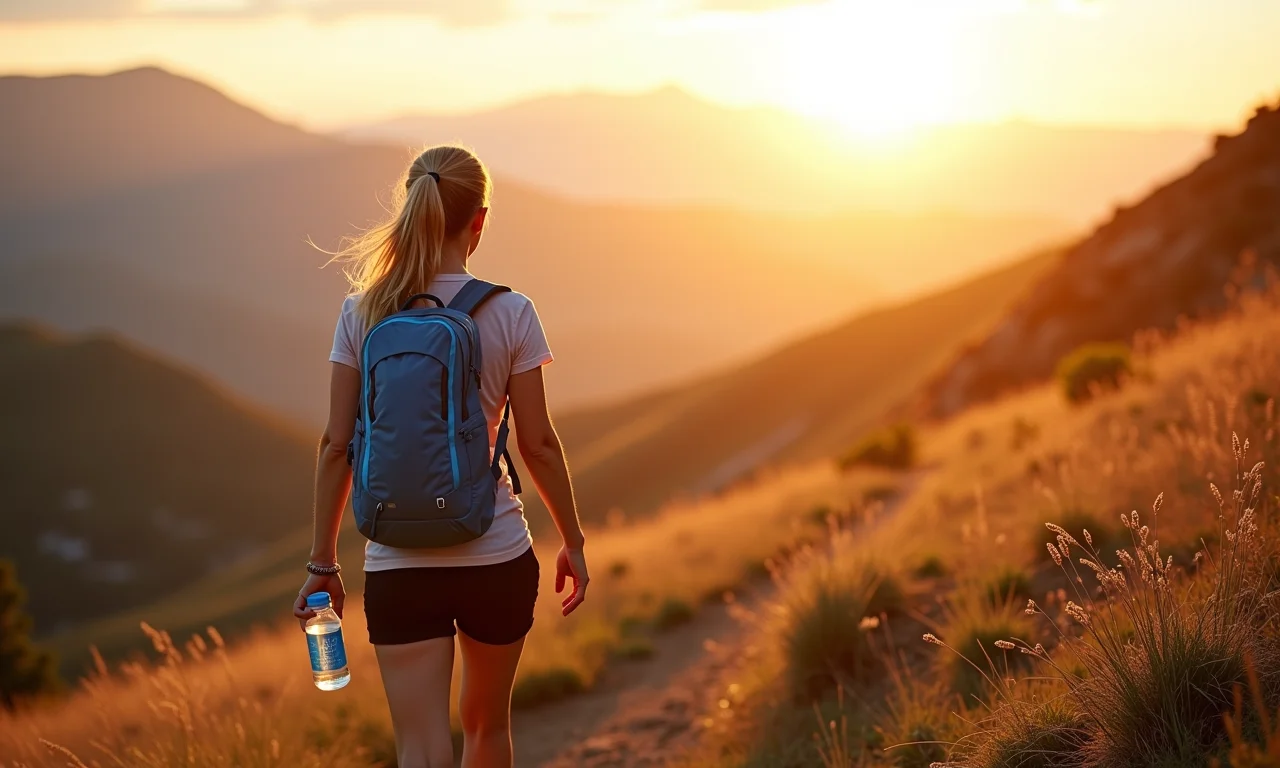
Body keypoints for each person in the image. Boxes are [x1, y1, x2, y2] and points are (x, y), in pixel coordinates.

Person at [293, 144, 589, 768]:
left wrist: (323, 564)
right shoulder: (511, 311)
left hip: (397, 562)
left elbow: (335, 446)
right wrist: (574, 540)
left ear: (412, 210)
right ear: (479, 221)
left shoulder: (362, 312)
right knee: (486, 730)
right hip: (495, 553)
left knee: (420, 748)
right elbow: (536, 442)